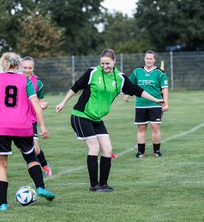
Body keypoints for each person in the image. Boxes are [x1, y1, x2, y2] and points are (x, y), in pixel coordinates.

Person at [55, 49, 164, 192]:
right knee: (94, 147)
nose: (105, 66)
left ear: (114, 62)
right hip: (81, 115)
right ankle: (94, 186)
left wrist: (156, 99)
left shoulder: (120, 78)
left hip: (97, 119)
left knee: (107, 149)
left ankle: (104, 184)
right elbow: (76, 87)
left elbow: (137, 90)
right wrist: (63, 102)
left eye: (108, 63)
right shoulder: (93, 72)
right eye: (102, 63)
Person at [0, 52, 55, 211]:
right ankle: (41, 187)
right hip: (23, 126)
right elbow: (35, 102)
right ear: (18, 65)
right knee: (31, 157)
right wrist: (42, 126)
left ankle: (2, 205)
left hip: (0, 127)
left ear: (3, 64)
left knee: (1, 165)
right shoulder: (26, 81)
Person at [124, 50, 169, 158]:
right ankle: (140, 152)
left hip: (155, 104)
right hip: (140, 104)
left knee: (155, 127)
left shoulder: (160, 73)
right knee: (141, 128)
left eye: (151, 58)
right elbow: (130, 85)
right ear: (145, 59)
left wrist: (165, 103)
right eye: (147, 58)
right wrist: (127, 94)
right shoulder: (137, 72)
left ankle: (157, 151)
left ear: (154, 60)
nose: (149, 60)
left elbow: (165, 89)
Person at [21, 56, 52, 178]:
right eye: (25, 67)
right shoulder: (16, 80)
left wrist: (42, 104)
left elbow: (39, 100)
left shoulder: (37, 83)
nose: (27, 70)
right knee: (6, 146)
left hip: (31, 119)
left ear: (33, 68)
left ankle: (44, 164)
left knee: (35, 149)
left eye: (30, 68)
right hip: (16, 119)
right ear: (20, 67)